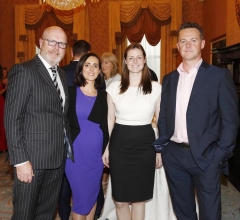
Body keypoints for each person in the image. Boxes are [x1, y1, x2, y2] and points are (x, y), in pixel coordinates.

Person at [153, 22, 239, 220]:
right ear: (178, 46)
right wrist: (165, 148)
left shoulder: (218, 76)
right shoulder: (169, 79)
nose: (188, 45)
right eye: (183, 41)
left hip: (207, 156)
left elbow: (231, 120)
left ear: (202, 43)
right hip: (174, 156)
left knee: (210, 213)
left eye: (193, 40)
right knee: (183, 212)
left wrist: (219, 154)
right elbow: (164, 115)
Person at [4, 26, 74, 220]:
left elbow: (60, 116)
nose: (56, 47)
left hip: (56, 159)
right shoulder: (24, 71)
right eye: (51, 41)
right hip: (31, 160)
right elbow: (12, 118)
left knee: (47, 213)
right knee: (25, 214)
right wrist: (20, 161)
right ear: (41, 42)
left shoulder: (60, 75)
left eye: (61, 44)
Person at [102, 43, 162, 220]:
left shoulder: (156, 88)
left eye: (139, 57)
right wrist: (107, 147)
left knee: (138, 199)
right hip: (120, 144)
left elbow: (160, 122)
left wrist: (159, 150)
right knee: (120, 200)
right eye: (131, 58)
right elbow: (110, 120)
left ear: (144, 61)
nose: (135, 61)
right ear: (125, 62)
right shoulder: (113, 88)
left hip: (145, 145)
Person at [65, 52, 109, 220]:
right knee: (80, 199)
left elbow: (110, 126)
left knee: (92, 196)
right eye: (87, 65)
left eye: (96, 65)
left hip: (96, 156)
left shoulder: (105, 96)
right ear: (81, 68)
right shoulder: (69, 93)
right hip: (75, 155)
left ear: (99, 71)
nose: (91, 69)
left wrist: (107, 149)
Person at [0, 65, 7, 152]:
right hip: (1, 102)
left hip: (3, 101)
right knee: (2, 125)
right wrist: (5, 88)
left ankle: (3, 146)